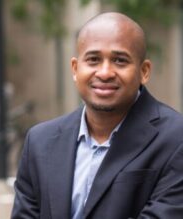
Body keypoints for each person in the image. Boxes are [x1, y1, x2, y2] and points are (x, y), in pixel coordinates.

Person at [11, 12, 183, 219]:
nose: (104, 72)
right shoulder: (40, 142)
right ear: (75, 69)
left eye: (120, 61)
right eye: (93, 60)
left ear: (144, 71)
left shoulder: (175, 139)